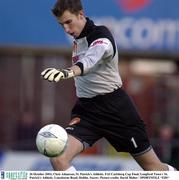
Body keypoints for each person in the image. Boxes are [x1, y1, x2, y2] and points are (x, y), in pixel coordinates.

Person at [41, 0, 176, 171]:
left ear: (81, 15)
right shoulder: (77, 39)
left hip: (116, 109)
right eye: (62, 25)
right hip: (87, 111)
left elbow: (89, 61)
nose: (66, 29)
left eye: (69, 22)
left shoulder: (101, 35)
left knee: (154, 169)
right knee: (58, 159)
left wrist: (66, 72)